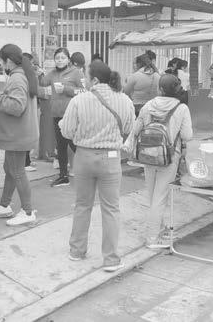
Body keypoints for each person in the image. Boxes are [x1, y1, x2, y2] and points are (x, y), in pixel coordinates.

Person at [60, 60, 135, 272]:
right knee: (111, 208)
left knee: (82, 205)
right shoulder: (124, 100)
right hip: (111, 158)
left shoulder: (79, 100)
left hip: (83, 157)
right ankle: (111, 259)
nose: (84, 80)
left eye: (86, 77)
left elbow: (66, 131)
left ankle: (77, 251)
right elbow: (129, 127)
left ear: (94, 80)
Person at [124, 74, 193, 249]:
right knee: (160, 198)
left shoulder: (148, 105)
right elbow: (187, 135)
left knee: (153, 195)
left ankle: (159, 229)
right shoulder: (182, 108)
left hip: (148, 155)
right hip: (169, 157)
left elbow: (136, 128)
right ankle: (152, 239)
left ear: (160, 89)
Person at [0, 44, 40, 226]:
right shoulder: (23, 74)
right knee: (10, 169)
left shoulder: (16, 78)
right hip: (20, 133)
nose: (1, 65)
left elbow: (16, 107)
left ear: (8, 61)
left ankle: (27, 211)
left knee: (17, 171)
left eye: (1, 61)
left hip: (17, 135)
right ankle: (4, 205)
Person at [39, 47, 84, 187]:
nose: (59, 60)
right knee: (61, 146)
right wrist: (38, 72)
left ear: (68, 59)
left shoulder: (76, 73)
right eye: (57, 58)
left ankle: (89, 171)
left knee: (75, 144)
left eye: (63, 58)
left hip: (71, 116)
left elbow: (84, 91)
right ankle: (63, 176)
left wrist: (66, 89)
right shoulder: (52, 74)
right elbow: (43, 82)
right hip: (56, 115)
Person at [23, 52, 40, 172]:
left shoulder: (29, 76)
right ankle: (25, 163)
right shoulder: (25, 77)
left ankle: (27, 161)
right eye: (32, 63)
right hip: (27, 111)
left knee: (28, 136)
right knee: (26, 136)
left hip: (30, 110)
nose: (34, 66)